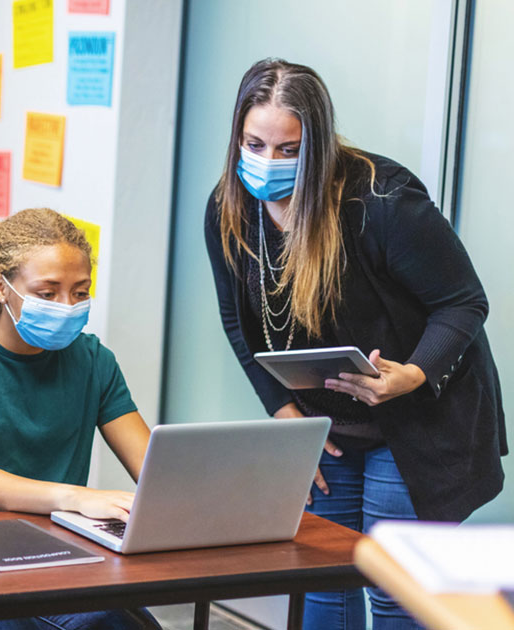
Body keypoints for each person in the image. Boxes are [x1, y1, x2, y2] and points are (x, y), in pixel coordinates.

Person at [205, 58, 506, 630]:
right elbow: (237, 320)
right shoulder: (230, 209)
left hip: (418, 413)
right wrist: (284, 410)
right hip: (325, 422)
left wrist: (410, 375)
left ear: (316, 143)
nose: (268, 162)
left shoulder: (383, 201)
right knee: (322, 583)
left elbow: (463, 302)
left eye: (289, 149)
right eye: (254, 143)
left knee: (394, 589)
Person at [0, 208, 159, 630]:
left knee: (119, 622)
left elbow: (155, 470)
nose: (68, 306)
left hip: (63, 554)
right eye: (48, 293)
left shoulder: (94, 360)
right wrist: (79, 498)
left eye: (80, 293)